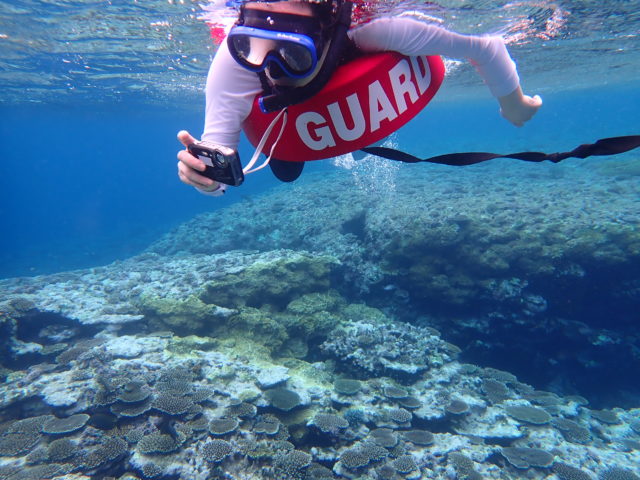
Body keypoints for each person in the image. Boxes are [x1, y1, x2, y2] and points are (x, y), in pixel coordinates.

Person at [177, 0, 542, 196]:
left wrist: (515, 105)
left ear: (326, 32)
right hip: (286, 123)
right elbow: (218, 157)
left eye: (293, 55)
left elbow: (486, 47)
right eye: (252, 48)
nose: (272, 69)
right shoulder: (232, 62)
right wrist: (207, 179)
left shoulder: (379, 29)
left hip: (356, 79)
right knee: (286, 171)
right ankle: (288, 147)